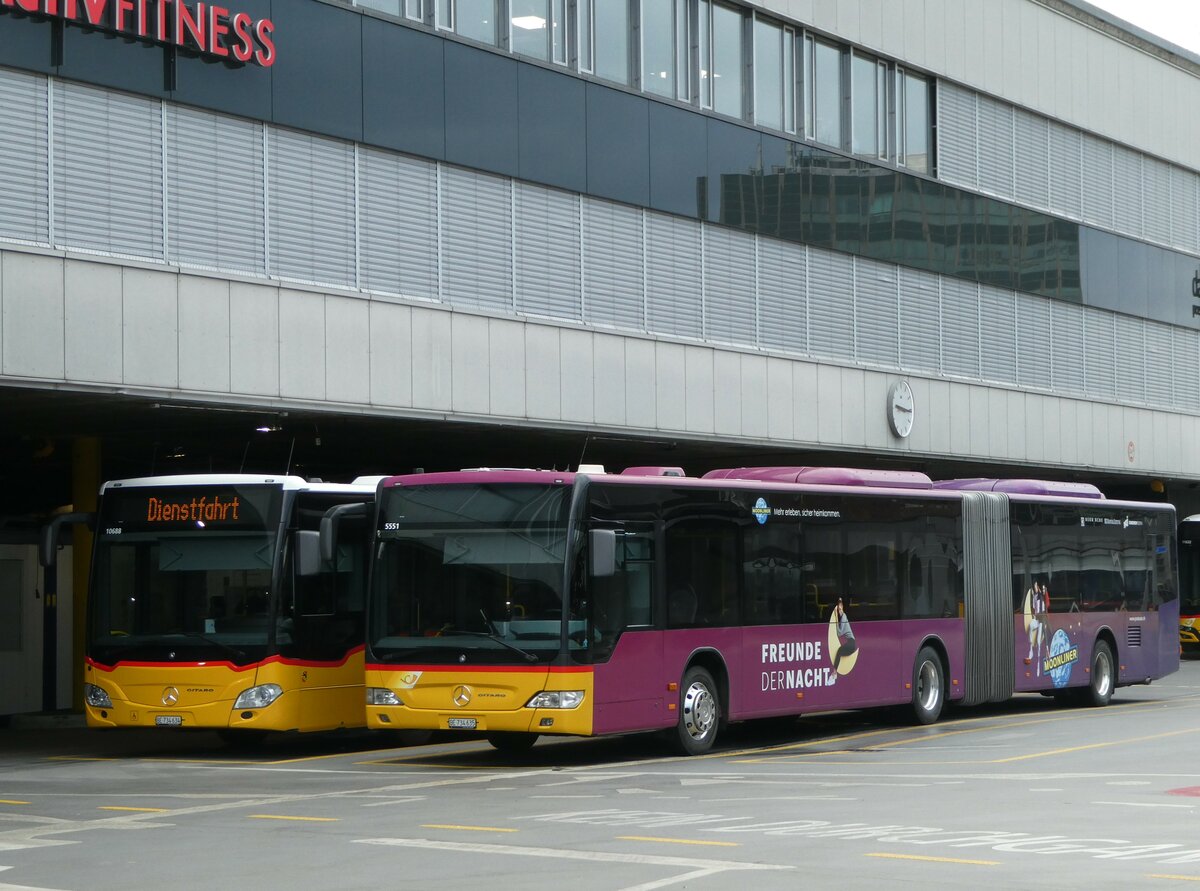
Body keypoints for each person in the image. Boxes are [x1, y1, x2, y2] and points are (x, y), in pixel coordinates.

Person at [832, 597, 857, 672]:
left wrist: (836, 622)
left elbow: (839, 633)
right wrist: (840, 600)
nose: (839, 611)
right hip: (851, 643)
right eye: (838, 609)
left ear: (843, 608)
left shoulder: (843, 617)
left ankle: (834, 672)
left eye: (840, 609)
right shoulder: (843, 616)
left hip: (851, 643)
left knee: (839, 651)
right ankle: (835, 672)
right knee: (840, 652)